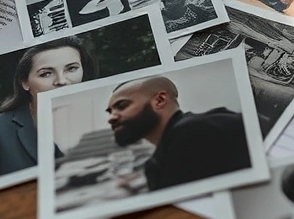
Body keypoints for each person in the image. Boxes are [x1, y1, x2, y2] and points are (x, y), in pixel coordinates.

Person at [0, 38, 99, 182]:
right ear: (25, 82)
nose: (61, 81)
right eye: (46, 73)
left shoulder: (105, 117)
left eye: (71, 69)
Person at [106, 75, 251, 191]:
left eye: (122, 106)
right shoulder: (159, 158)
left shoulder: (195, 134)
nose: (112, 117)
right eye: (110, 111)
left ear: (160, 100)